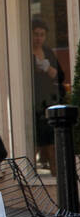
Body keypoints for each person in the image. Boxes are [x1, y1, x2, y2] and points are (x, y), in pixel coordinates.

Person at [31, 16, 64, 174]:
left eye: (42, 34)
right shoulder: (25, 53)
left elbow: (60, 76)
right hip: (33, 102)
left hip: (48, 101)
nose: (38, 38)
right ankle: (30, 173)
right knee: (36, 141)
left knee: (51, 141)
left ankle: (55, 174)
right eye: (36, 34)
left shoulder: (48, 51)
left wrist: (47, 68)